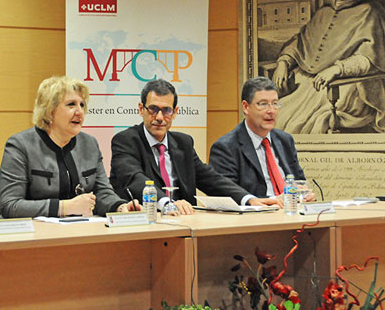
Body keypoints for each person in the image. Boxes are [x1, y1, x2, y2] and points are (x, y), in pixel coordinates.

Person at [110, 79, 279, 214]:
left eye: (166, 110)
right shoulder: (126, 141)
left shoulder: (183, 143)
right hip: (144, 222)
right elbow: (135, 179)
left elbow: (210, 179)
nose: (160, 117)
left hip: (185, 221)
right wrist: (168, 204)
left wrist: (248, 199)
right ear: (141, 109)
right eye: (153, 109)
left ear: (175, 112)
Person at [272, 0, 385, 134]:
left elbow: (370, 59)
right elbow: (301, 42)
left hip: (348, 85)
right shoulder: (323, 13)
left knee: (300, 122)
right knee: (277, 116)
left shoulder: (370, 12)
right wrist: (284, 61)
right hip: (311, 83)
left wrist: (337, 69)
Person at [0, 76, 139, 218]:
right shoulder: (20, 145)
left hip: (77, 228)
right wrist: (64, 207)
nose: (79, 112)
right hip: (33, 230)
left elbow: (102, 192)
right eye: (71, 105)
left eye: (82, 105)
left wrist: (120, 207)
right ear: (49, 110)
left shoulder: (89, 144)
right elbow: (10, 205)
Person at [209, 77, 309, 199]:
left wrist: (304, 193)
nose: (271, 111)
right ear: (246, 107)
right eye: (263, 104)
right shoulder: (226, 147)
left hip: (291, 209)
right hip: (257, 211)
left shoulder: (285, 140)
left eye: (275, 104)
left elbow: (299, 181)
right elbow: (226, 196)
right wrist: (273, 201)